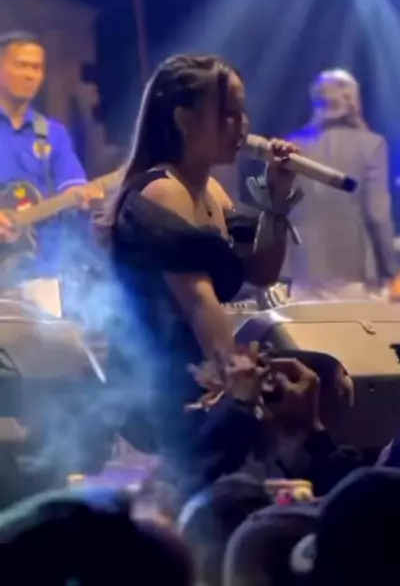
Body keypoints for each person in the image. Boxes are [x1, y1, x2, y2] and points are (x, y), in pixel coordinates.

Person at [106, 54, 299, 493]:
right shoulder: (163, 190)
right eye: (228, 114)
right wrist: (238, 385)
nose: (243, 126)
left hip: (203, 371)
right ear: (184, 119)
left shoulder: (211, 190)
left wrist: (277, 198)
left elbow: (262, 270)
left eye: (242, 113)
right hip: (171, 385)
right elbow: (199, 304)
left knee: (325, 376)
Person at [286, 69, 400, 300]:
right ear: (354, 101)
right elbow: (377, 215)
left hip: (301, 273)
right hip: (354, 274)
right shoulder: (372, 145)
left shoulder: (292, 145)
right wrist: (394, 271)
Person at [0, 31, 100, 291]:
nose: (30, 75)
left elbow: (72, 184)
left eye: (37, 68)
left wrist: (82, 196)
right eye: (22, 65)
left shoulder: (53, 133)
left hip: (43, 271)